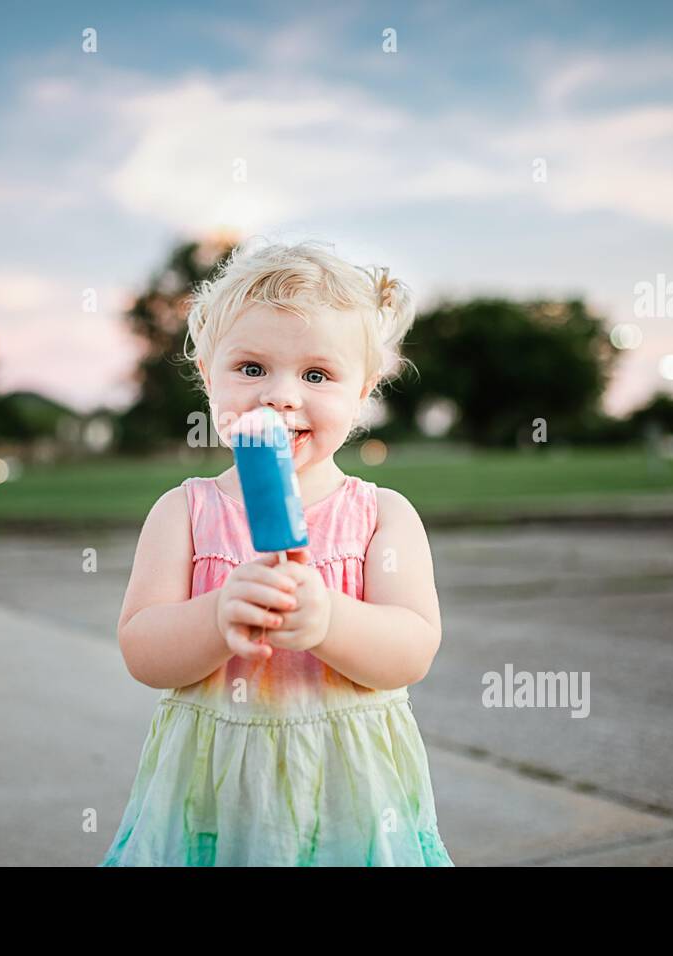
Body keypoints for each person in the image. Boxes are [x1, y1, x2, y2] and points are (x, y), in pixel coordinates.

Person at [101, 239, 454, 866]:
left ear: (364, 390)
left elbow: (412, 650)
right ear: (209, 377)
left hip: (351, 791)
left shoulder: (384, 517)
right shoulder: (184, 513)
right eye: (252, 368)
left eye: (316, 375)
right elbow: (143, 650)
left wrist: (329, 620)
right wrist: (215, 616)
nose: (280, 396)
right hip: (213, 791)